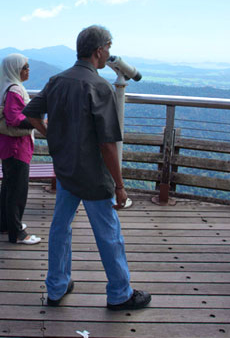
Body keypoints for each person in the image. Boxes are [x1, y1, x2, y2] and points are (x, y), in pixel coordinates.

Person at [23, 25, 151, 311]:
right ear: (98, 51)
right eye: (108, 46)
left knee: (60, 227)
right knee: (108, 233)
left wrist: (52, 135)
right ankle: (120, 293)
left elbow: (30, 112)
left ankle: (56, 287)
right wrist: (119, 185)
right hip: (93, 176)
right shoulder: (101, 87)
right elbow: (107, 144)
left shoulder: (57, 80)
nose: (109, 52)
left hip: (66, 170)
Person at [0, 53, 41, 244]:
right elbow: (14, 119)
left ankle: (7, 225)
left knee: (9, 186)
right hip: (16, 147)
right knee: (17, 190)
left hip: (8, 145)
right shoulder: (15, 90)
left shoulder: (6, 86)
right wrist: (37, 122)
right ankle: (17, 234)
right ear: (15, 69)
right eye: (25, 67)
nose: (28, 70)